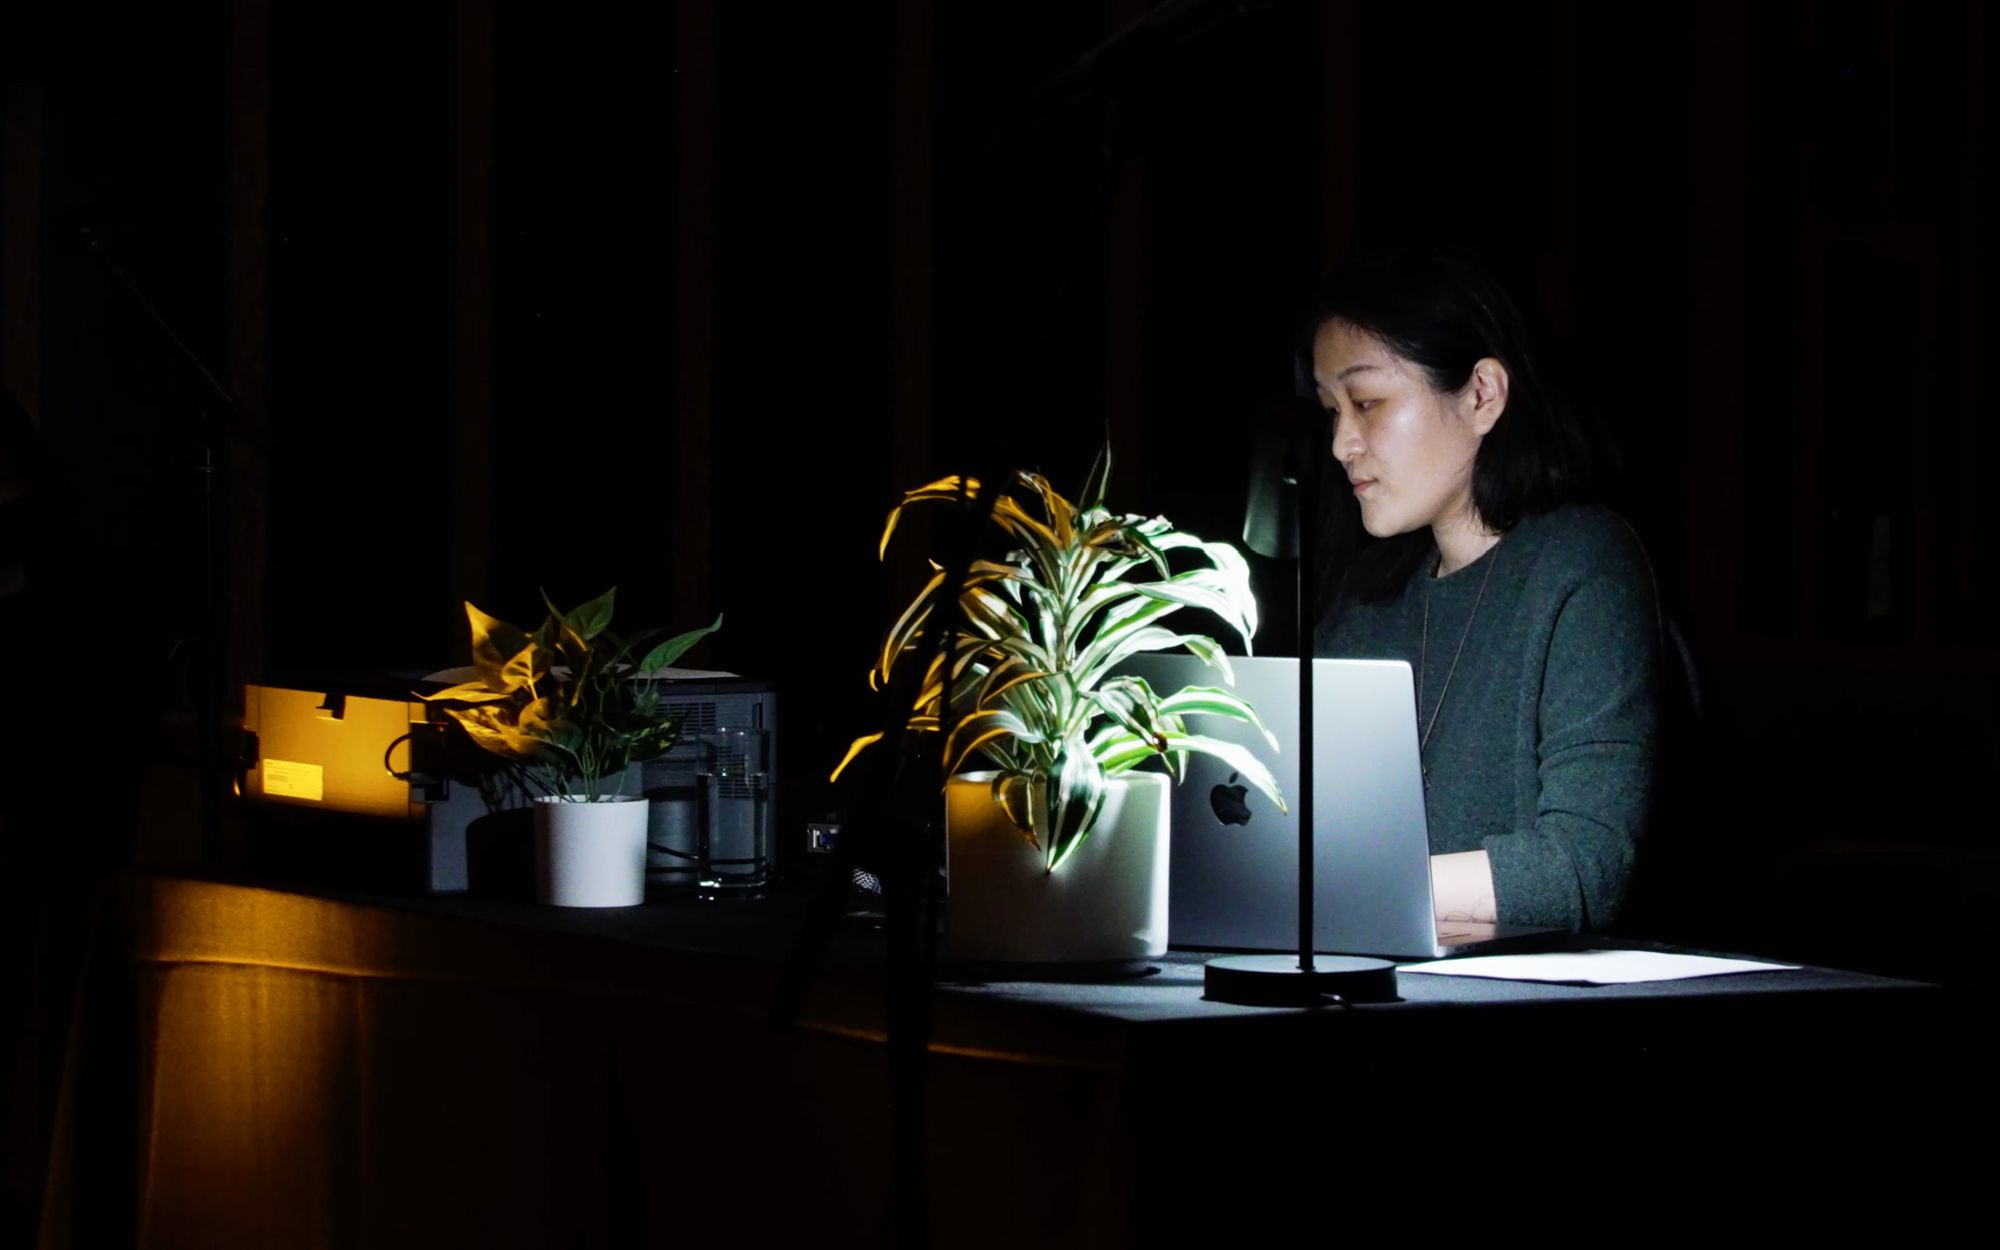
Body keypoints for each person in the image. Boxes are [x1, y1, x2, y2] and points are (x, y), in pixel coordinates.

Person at [1308, 248, 1661, 932]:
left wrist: (1340, 894)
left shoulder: (1583, 565)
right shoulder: (1364, 606)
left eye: (1368, 402)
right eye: (1331, 411)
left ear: (1482, 395)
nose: (1342, 443)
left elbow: (1585, 866)